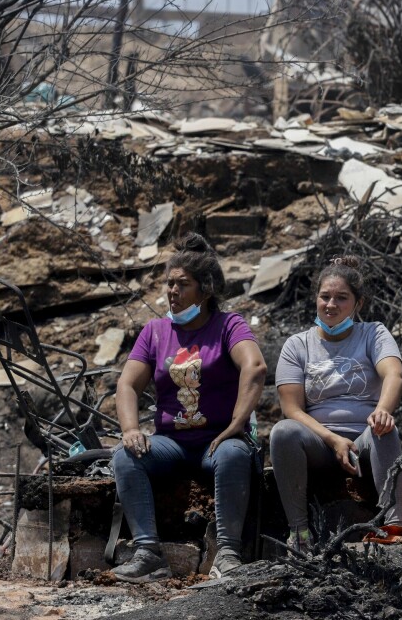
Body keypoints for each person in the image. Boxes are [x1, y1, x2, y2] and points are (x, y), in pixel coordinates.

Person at [110, 233, 267, 582]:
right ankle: (149, 554)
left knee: (233, 455)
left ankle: (227, 553)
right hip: (173, 445)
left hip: (217, 441)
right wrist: (131, 429)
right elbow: (127, 384)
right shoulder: (154, 331)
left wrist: (237, 424)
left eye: (183, 284)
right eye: (169, 284)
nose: (172, 292)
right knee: (125, 456)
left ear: (206, 289)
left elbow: (254, 367)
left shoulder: (228, 325)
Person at [270, 256, 402, 553]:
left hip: (364, 437)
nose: (331, 305)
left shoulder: (374, 333)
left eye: (341, 298)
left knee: (386, 429)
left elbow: (393, 374)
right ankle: (300, 534)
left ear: (358, 304)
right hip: (318, 440)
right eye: (325, 296)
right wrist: (332, 440)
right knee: (283, 431)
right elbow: (292, 409)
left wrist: (382, 410)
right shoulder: (297, 345)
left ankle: (394, 529)